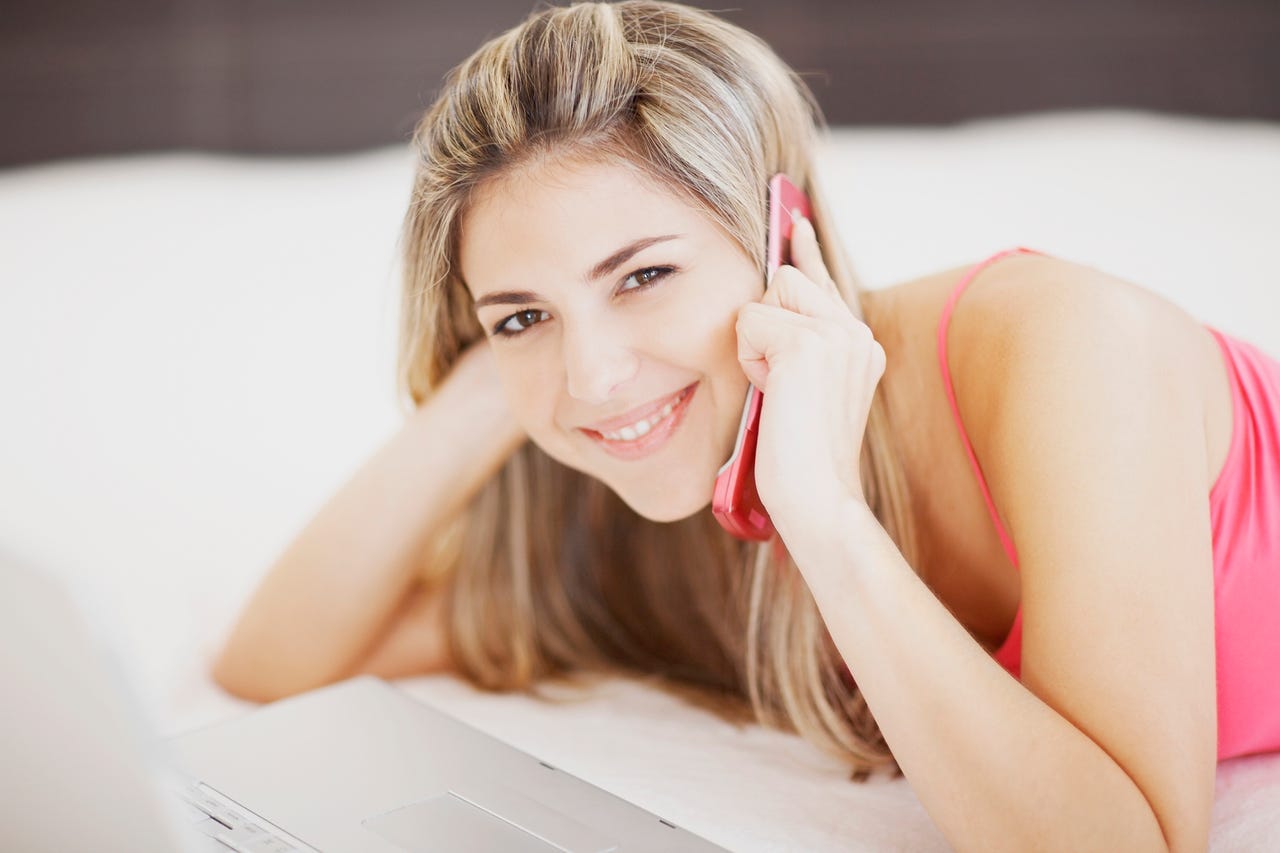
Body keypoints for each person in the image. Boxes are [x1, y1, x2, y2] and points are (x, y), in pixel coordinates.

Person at [211, 1, 1280, 849]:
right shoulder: (645, 498)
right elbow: (273, 664)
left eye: (642, 274)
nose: (592, 370)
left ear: (780, 236)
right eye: (523, 314)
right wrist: (512, 371)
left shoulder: (1069, 344)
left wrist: (825, 519)